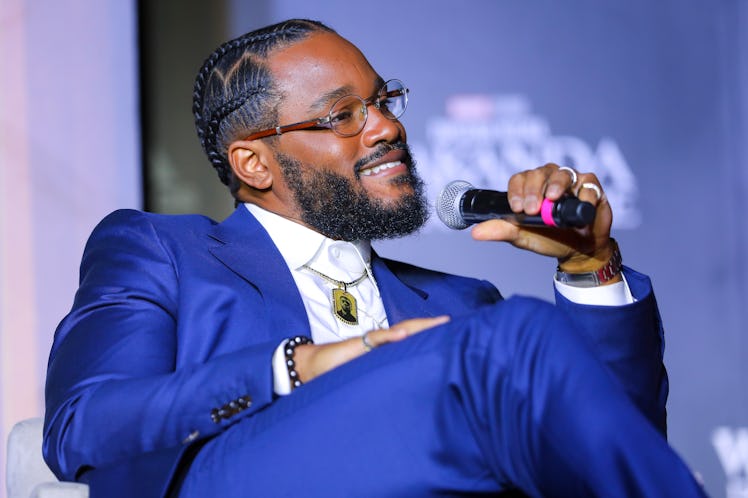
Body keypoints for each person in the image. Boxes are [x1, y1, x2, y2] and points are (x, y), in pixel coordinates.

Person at [43, 18, 705, 498]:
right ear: (253, 161)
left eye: (384, 101)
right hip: (233, 476)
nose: (386, 125)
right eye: (342, 115)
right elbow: (82, 425)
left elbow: (616, 448)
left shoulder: (459, 304)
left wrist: (591, 269)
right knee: (516, 336)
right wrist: (297, 365)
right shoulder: (163, 251)